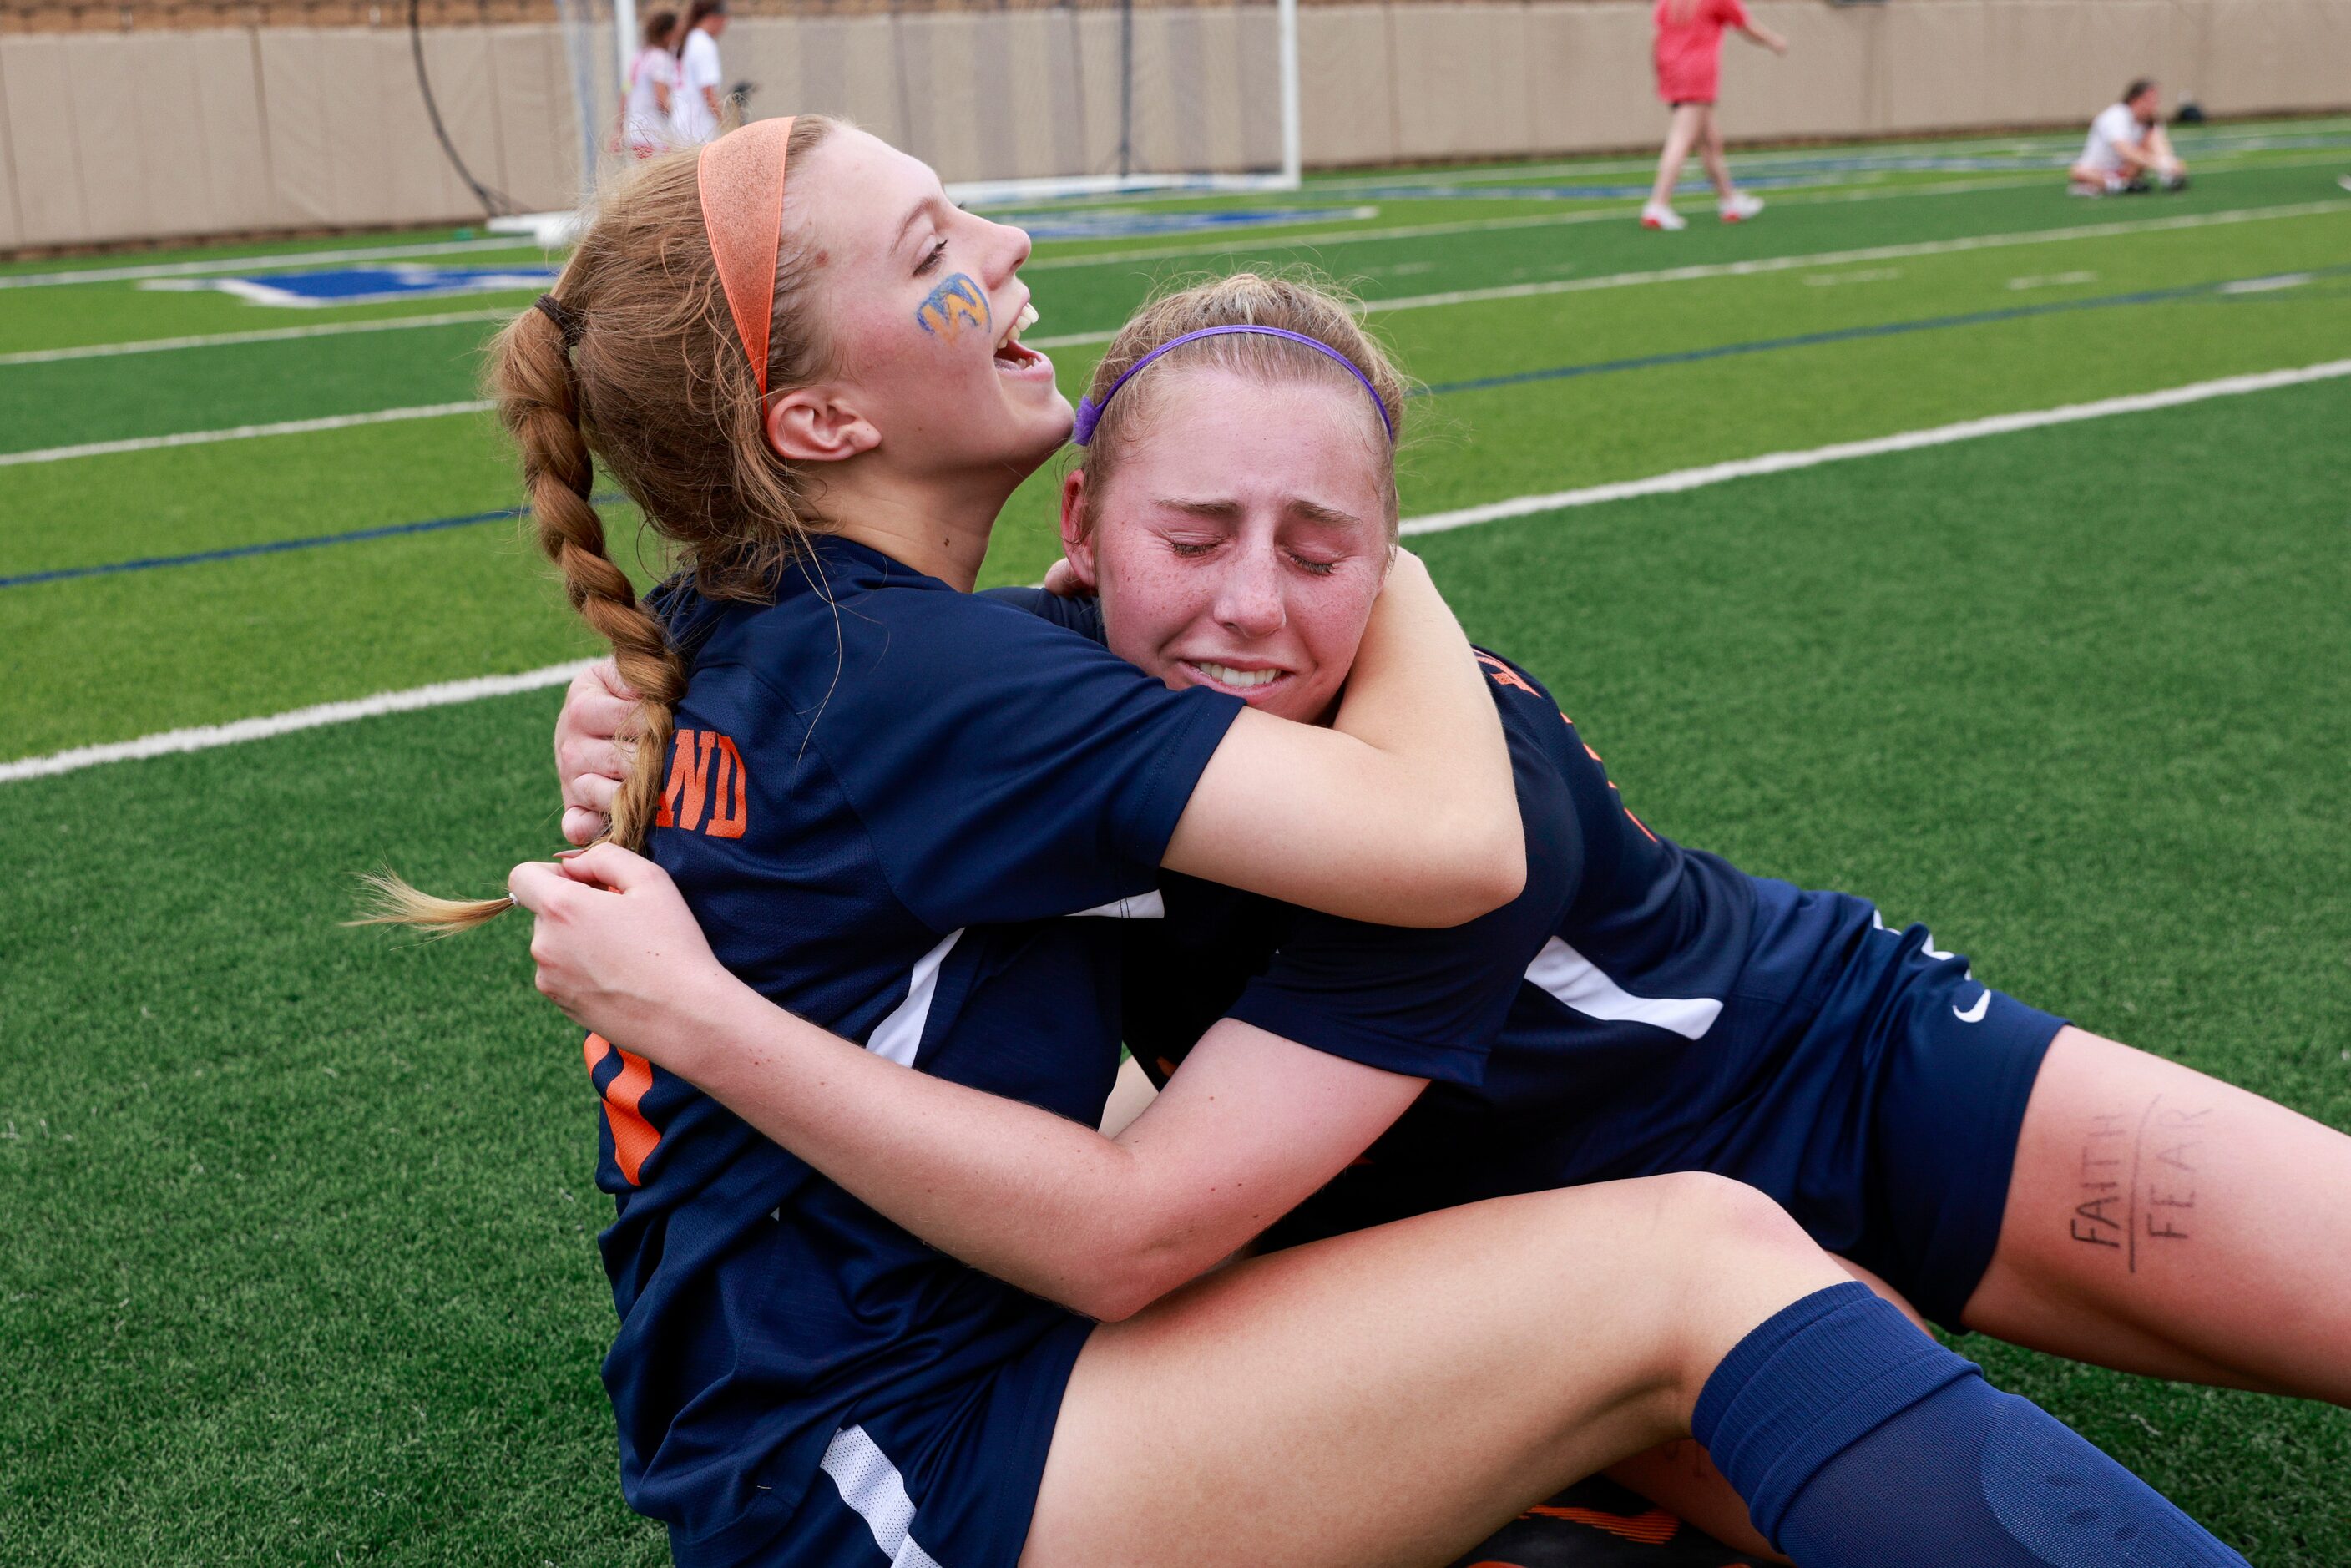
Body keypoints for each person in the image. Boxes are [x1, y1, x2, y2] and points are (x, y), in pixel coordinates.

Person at [498, 145, 2254, 1568]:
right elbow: (1441, 843)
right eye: (931, 242)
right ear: (822, 424)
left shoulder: (746, 626)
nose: (1008, 236)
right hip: (893, 1466)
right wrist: (1376, 547)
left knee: (1760, 1333)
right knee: (1700, 1272)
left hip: (1820, 1051)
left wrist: (692, 974)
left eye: (1315, 542)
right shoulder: (954, 680)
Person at [1641, 0, 1786, 231]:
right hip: (1698, 71)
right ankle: (1658, 205)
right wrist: (1773, 40)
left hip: (1673, 69)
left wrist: (1659, 72)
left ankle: (1730, 202)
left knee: (1710, 141)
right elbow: (1745, 25)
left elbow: (1655, 38)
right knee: (1682, 137)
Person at [2071, 79, 2189, 195]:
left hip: (2127, 170)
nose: (2154, 106)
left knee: (2153, 137)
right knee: (2079, 172)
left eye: (2156, 101)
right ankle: (2118, 185)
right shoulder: (2116, 116)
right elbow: (2124, 149)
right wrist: (2161, 165)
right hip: (2100, 170)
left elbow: (2160, 144)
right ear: (2135, 99)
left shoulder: (2151, 120)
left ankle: (2168, 178)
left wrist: (2170, 162)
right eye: (2150, 101)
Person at [615, 9, 683, 159]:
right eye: (677, 32)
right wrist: (681, 116)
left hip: (636, 133)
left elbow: (626, 91)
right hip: (653, 134)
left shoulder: (639, 56)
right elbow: (661, 99)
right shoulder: (660, 58)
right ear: (667, 34)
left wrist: (619, 128)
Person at [669, 0, 731, 146]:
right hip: (698, 130)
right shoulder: (703, 44)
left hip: (679, 125)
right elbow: (709, 94)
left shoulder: (683, 40)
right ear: (715, 18)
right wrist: (727, 125)